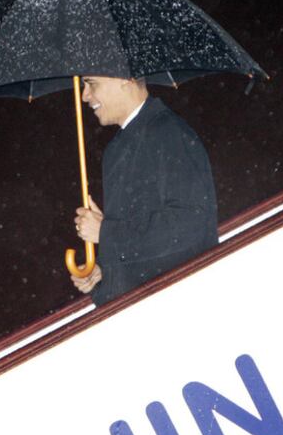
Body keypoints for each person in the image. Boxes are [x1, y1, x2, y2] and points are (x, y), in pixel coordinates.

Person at [71, 75, 218, 306]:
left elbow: (190, 225)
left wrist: (107, 233)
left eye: (92, 84)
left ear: (124, 79)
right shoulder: (116, 149)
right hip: (143, 310)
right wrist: (103, 273)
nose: (84, 96)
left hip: (179, 305)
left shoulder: (168, 133)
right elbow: (139, 245)